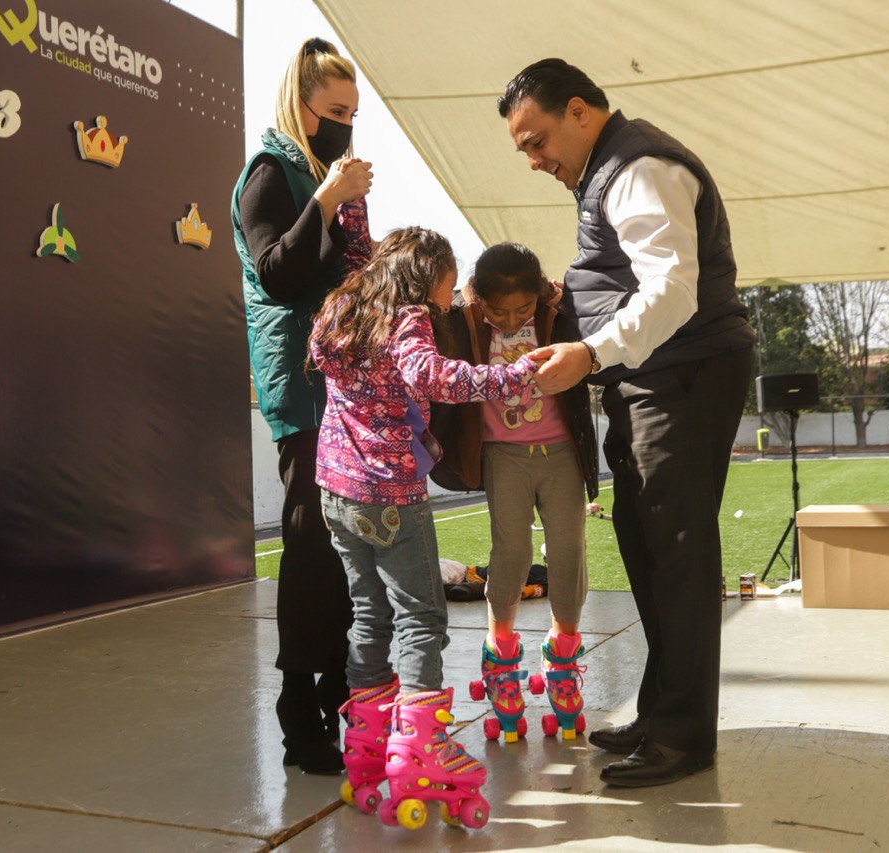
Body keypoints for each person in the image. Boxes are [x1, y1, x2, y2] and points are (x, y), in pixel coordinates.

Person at [498, 58, 756, 787]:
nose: (533, 159)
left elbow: (671, 288)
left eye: (536, 138)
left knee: (676, 552)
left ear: (579, 111)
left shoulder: (638, 165)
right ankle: (665, 714)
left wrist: (589, 349)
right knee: (649, 548)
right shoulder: (607, 172)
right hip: (654, 377)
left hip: (683, 373)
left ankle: (683, 738)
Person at [309, 227, 537, 826]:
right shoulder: (406, 317)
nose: (449, 289)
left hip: (335, 488)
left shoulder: (343, 304)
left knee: (367, 612)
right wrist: (510, 377)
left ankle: (365, 746)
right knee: (421, 616)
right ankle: (419, 750)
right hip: (387, 493)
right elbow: (431, 376)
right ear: (427, 272)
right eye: (447, 276)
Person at [230, 36, 374, 774]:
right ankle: (299, 705)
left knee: (345, 543)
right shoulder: (269, 174)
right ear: (301, 104)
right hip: (302, 383)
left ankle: (340, 689)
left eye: (353, 111)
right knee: (311, 542)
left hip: (344, 383)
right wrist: (327, 198)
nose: (346, 123)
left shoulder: (322, 176)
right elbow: (279, 272)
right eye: (333, 111)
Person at [431, 242, 598, 744]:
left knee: (568, 548)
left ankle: (564, 650)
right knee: (513, 551)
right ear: (477, 298)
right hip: (502, 455)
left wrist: (554, 302)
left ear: (540, 296)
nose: (510, 320)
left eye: (522, 309)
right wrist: (466, 302)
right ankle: (499, 649)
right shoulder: (465, 320)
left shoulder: (557, 312)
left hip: (561, 453)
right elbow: (435, 318)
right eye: (497, 310)